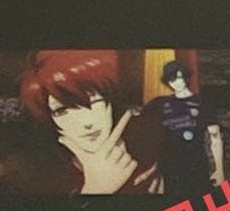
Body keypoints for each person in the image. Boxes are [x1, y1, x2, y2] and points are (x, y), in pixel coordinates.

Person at [20, 50, 164, 194]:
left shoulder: (147, 137)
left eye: (95, 102)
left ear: (109, 102)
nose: (86, 123)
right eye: (62, 111)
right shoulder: (42, 174)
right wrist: (96, 189)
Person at [142, 58, 224, 197]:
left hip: (196, 164)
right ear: (167, 82)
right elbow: (140, 121)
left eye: (179, 77)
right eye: (172, 79)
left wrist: (220, 170)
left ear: (186, 77)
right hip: (170, 167)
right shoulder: (160, 103)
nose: (176, 83)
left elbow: (215, 138)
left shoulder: (202, 103)